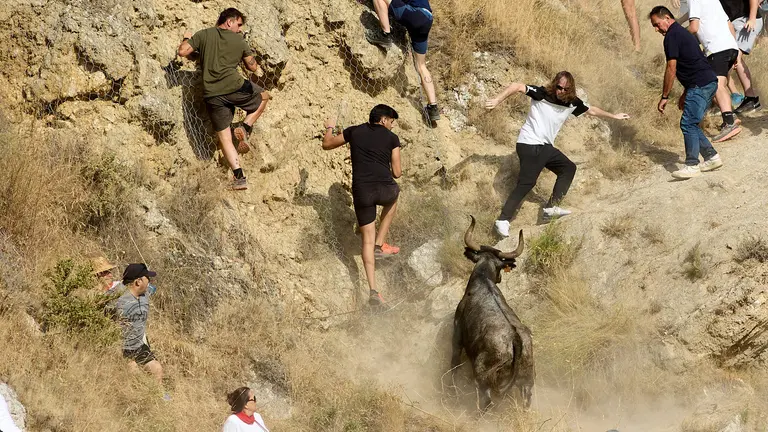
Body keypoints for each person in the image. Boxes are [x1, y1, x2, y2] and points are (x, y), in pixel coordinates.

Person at [485, 72, 630, 237]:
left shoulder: (572, 103)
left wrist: (614, 116)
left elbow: (592, 110)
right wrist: (497, 100)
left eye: (565, 89)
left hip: (545, 146)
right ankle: (503, 220)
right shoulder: (542, 94)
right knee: (527, 183)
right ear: (554, 85)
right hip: (529, 143)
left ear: (570, 89)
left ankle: (551, 208)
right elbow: (517, 86)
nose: (561, 91)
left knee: (568, 168)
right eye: (558, 87)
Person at [177, 8, 271, 191]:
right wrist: (252, 61)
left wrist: (186, 38)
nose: (240, 29)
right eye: (239, 24)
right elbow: (252, 67)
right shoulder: (239, 40)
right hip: (234, 86)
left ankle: (239, 177)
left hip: (211, 94)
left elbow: (183, 52)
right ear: (230, 21)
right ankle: (245, 126)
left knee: (225, 137)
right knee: (264, 96)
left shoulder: (204, 35)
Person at [322, 105, 402, 306]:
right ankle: (380, 244)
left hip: (362, 192)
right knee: (394, 196)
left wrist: (330, 127)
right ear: (384, 119)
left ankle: (374, 291)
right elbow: (398, 173)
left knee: (366, 240)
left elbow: (327, 144)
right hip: (385, 189)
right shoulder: (392, 138)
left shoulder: (354, 131)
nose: (392, 126)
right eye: (392, 121)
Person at [650, 6, 725, 179]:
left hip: (701, 84)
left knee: (688, 124)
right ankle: (711, 157)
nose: (656, 29)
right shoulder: (682, 33)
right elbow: (693, 63)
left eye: (657, 24)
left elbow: (671, 68)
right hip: (708, 82)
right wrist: (686, 92)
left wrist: (664, 96)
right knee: (692, 122)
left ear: (667, 18)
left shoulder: (671, 36)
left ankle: (692, 164)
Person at [678, 0, 742, 142]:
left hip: (716, 48)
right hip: (730, 47)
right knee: (718, 85)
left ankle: (729, 122)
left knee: (716, 85)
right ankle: (730, 118)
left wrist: (678, 36)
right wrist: (736, 49)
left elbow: (694, 28)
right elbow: (729, 24)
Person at [366, 0, 440, 122]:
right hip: (427, 19)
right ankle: (433, 106)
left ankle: (385, 35)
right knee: (421, 65)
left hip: (415, 14)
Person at [115, 263, 169, 400]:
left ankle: (159, 398)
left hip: (139, 344)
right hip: (122, 347)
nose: (149, 282)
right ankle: (141, 400)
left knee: (157, 368)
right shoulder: (118, 297)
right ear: (138, 282)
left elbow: (153, 288)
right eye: (147, 278)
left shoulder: (145, 293)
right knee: (134, 372)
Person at [719, 0, 762, 113]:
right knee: (734, 59)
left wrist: (752, 18)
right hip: (732, 24)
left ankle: (720, 102)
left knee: (733, 58)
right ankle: (750, 99)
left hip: (746, 21)